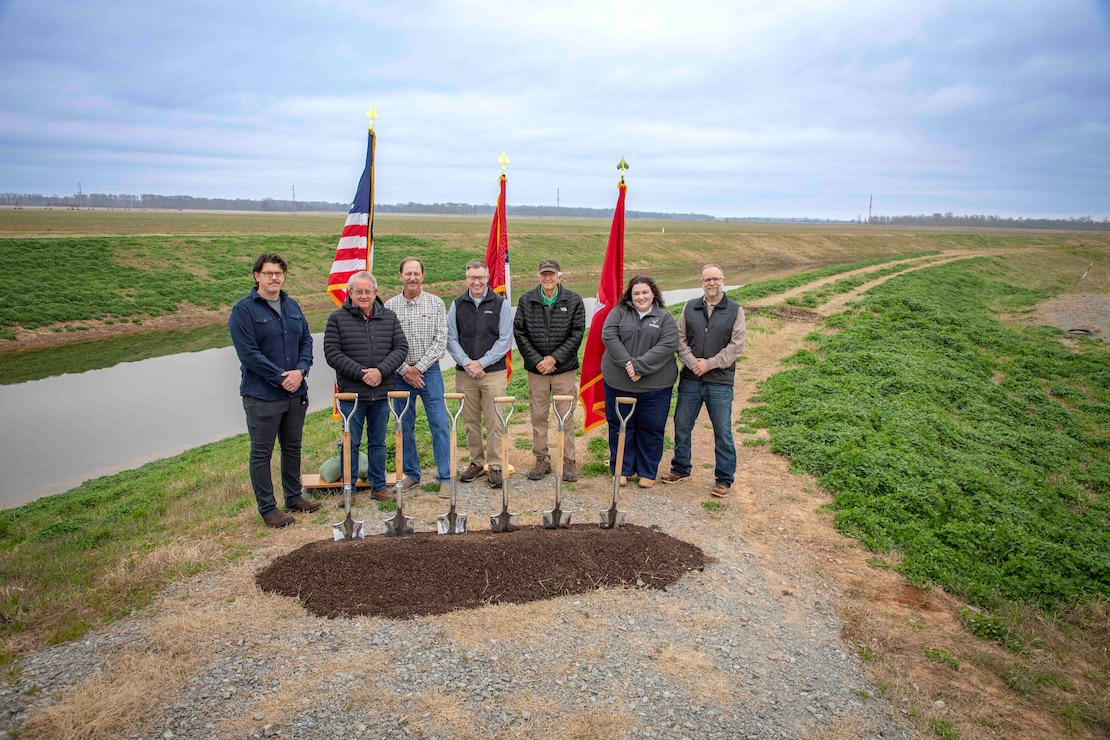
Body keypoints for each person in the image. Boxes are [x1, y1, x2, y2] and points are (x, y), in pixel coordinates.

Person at [228, 252, 321, 528]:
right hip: (263, 396)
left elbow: (306, 342)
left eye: (279, 273)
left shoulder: (292, 306)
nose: (274, 278)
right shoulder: (244, 310)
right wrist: (281, 378)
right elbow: (249, 354)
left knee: (292, 447)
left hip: (295, 394)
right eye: (269, 273)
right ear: (257, 276)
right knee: (262, 452)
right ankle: (268, 509)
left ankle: (294, 496)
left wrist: (301, 371)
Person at [660, 264, 746, 497]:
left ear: (723, 281)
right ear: (701, 283)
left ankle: (724, 479)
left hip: (720, 381)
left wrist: (709, 363)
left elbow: (736, 347)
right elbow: (679, 339)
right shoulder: (690, 308)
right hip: (690, 379)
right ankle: (680, 468)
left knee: (722, 430)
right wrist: (692, 362)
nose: (711, 283)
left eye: (715, 279)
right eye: (707, 280)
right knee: (682, 424)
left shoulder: (735, 310)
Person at [324, 271, 409, 501]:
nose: (363, 296)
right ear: (350, 293)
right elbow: (332, 354)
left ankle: (378, 486)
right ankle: (348, 490)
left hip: (381, 393)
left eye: (367, 291)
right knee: (350, 442)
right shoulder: (336, 319)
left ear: (375, 293)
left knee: (378, 442)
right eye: (358, 291)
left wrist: (380, 371)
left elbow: (401, 348)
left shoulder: (389, 317)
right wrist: (363, 374)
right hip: (352, 395)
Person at [600, 275, 680, 488]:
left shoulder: (664, 317)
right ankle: (622, 469)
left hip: (655, 386)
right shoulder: (618, 312)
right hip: (619, 383)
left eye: (645, 292)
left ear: (653, 293)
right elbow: (609, 336)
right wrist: (629, 364)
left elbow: (669, 343)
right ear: (630, 295)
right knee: (621, 426)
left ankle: (647, 471)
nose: (641, 296)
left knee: (651, 426)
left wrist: (639, 366)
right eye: (636, 293)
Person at [513, 258, 586, 482]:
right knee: (538, 415)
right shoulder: (526, 300)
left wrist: (554, 358)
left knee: (566, 415)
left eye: (551, 274)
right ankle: (541, 459)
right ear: (538, 276)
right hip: (537, 371)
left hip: (563, 369)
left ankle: (568, 461)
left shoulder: (574, 300)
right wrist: (538, 361)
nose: (547, 278)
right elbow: (519, 332)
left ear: (560, 277)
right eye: (543, 274)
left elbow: (577, 333)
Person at [383, 257, 452, 491]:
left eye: (416, 273)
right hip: (400, 374)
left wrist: (419, 368)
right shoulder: (390, 307)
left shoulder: (436, 303)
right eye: (407, 273)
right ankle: (411, 473)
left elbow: (441, 340)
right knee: (403, 425)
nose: (412, 278)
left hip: (429, 372)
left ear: (423, 276)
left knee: (439, 423)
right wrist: (405, 370)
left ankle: (445, 477)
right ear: (400, 276)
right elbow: (387, 345)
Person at [446, 258, 513, 488]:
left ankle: (495, 465)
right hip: (465, 374)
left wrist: (481, 363)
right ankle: (476, 462)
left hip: (492, 372)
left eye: (481, 277)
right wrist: (467, 363)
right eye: (472, 277)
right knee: (470, 420)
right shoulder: (457, 304)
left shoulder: (500, 303)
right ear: (466, 278)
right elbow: (451, 339)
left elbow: (505, 340)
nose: (476, 282)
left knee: (495, 419)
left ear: (487, 278)